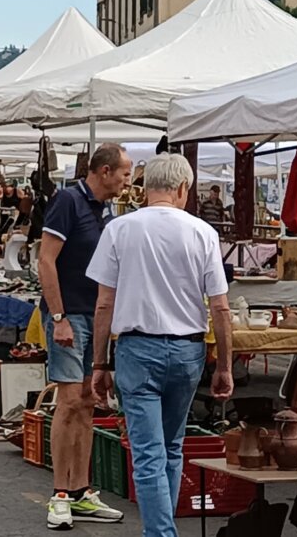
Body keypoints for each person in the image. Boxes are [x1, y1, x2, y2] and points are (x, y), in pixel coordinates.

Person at [88, 153, 234, 537]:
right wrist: (225, 366)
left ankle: (161, 533)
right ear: (183, 188)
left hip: (138, 349)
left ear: (146, 185)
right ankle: (162, 529)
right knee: (171, 447)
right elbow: (220, 306)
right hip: (188, 350)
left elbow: (104, 303)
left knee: (149, 453)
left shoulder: (120, 229)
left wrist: (99, 363)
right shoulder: (203, 232)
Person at [39, 143, 132, 530]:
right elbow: (45, 260)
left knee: (89, 400)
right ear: (105, 171)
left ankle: (80, 490)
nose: (128, 180)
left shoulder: (107, 209)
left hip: (95, 318)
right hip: (70, 316)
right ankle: (59, 494)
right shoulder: (67, 201)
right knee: (69, 401)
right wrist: (58, 317)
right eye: (125, 172)